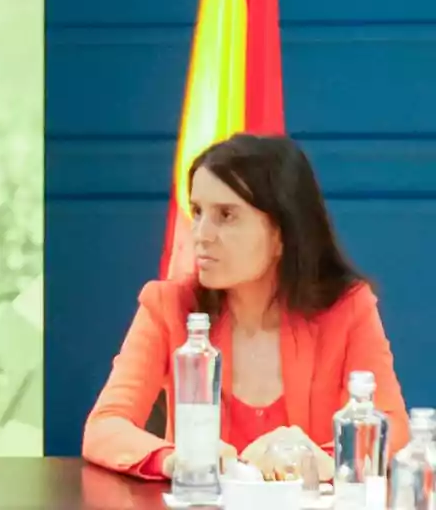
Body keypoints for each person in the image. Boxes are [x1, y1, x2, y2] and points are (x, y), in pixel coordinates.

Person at [82, 133, 409, 480]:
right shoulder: (169, 306)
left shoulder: (346, 308)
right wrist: (175, 460)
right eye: (197, 211)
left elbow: (393, 430)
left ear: (282, 233)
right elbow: (105, 426)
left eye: (226, 215)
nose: (201, 234)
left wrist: (317, 461)